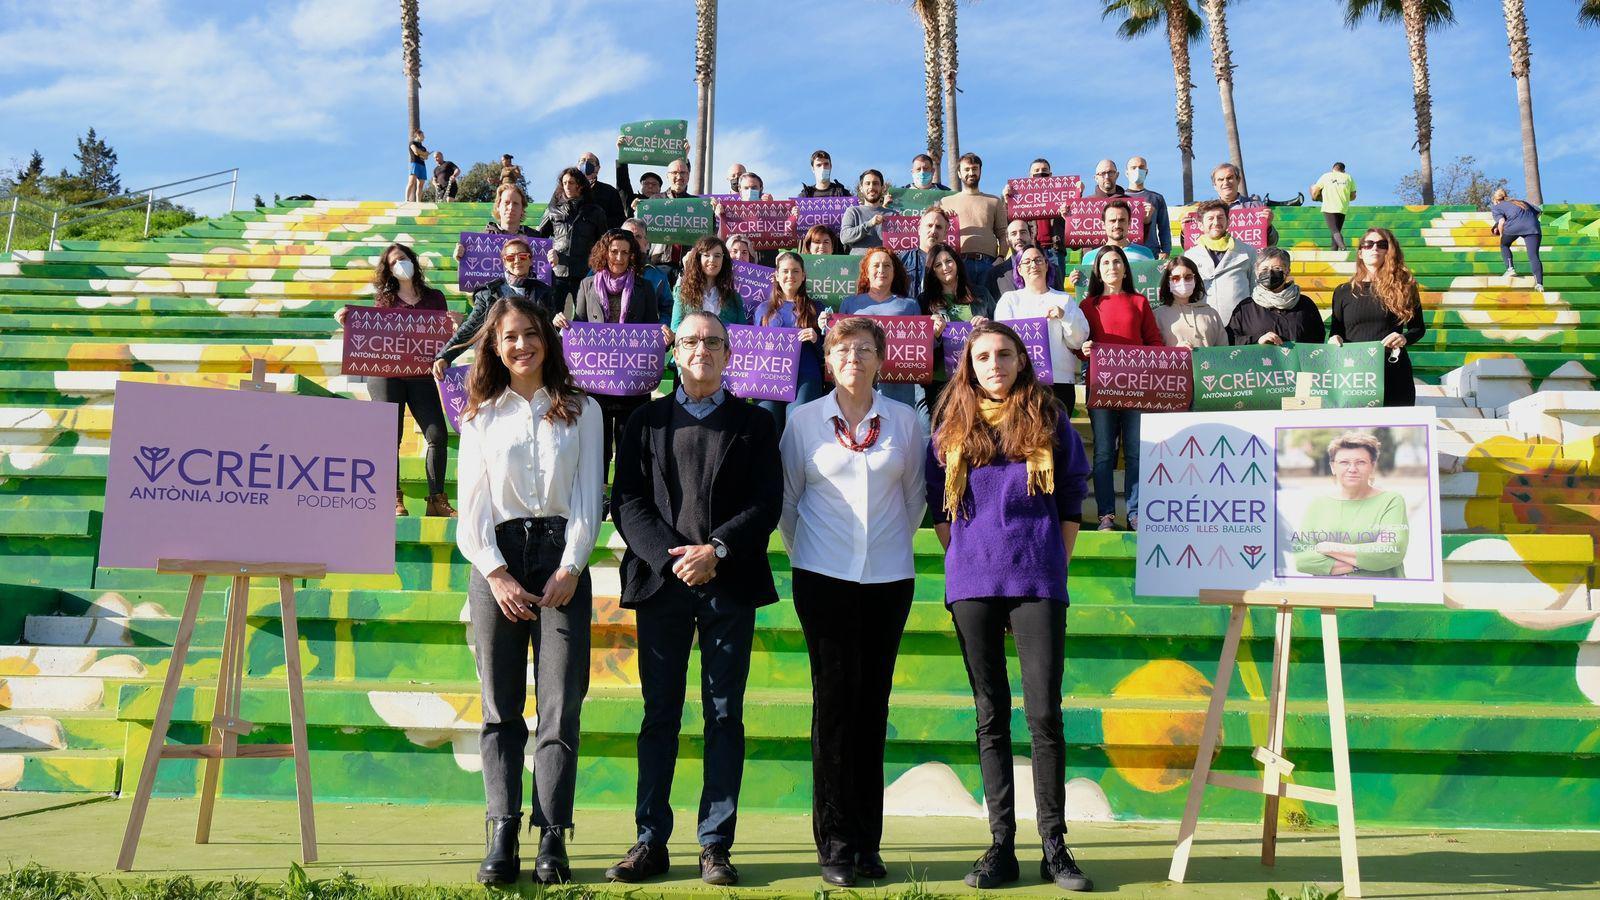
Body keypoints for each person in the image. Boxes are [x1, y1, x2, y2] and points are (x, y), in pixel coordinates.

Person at [605, 310, 783, 887]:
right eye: (690, 341)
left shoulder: (756, 425)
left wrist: (717, 552)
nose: (701, 349)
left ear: (729, 354)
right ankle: (650, 839)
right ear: (674, 352)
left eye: (712, 341)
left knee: (724, 715)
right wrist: (672, 557)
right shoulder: (644, 422)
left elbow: (766, 504)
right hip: (662, 587)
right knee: (660, 715)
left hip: (728, 587)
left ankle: (715, 844)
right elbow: (627, 501)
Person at [925, 321, 1094, 893]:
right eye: (982, 357)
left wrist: (1054, 556)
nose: (993, 364)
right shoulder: (950, 426)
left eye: (1003, 354)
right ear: (968, 367)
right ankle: (1001, 845)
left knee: (1044, 714)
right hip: (973, 583)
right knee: (990, 715)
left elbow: (1072, 492)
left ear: (1021, 360)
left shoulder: (1049, 419)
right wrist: (968, 558)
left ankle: (1054, 844)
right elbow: (938, 505)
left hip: (1037, 579)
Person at [455, 296, 603, 886]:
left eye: (531, 334)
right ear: (494, 345)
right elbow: (470, 512)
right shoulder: (478, 415)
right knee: (500, 708)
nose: (522, 345)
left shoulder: (583, 409)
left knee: (561, 705)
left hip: (561, 558)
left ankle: (553, 836)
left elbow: (591, 497)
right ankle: (502, 831)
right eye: (510, 336)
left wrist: (570, 566)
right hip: (499, 559)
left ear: (548, 339)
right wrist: (496, 574)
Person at [779, 316, 924, 888]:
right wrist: (817, 555)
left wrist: (879, 550)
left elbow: (914, 502)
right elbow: (789, 505)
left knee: (873, 708)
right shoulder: (803, 422)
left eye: (865, 349)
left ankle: (868, 842)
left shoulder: (908, 423)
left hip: (888, 581)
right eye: (843, 349)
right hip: (822, 578)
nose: (854, 359)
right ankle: (834, 842)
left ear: (881, 360)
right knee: (834, 709)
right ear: (829, 360)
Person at [335, 243, 461, 518]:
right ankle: (393, 498)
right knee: (390, 436)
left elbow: (444, 341)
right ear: (388, 271)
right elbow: (373, 334)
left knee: (437, 434)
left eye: (402, 258)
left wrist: (455, 325)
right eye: (393, 263)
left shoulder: (435, 298)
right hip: (387, 376)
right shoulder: (385, 299)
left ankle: (436, 500)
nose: (399, 265)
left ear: (413, 261)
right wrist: (349, 323)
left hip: (421, 375)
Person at [571, 229, 670, 476]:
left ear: (632, 256)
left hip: (632, 382)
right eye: (614, 251)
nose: (618, 257)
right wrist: (565, 326)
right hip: (597, 382)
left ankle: (626, 498)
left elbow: (650, 332)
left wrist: (664, 339)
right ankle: (599, 494)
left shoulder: (645, 287)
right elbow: (580, 324)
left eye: (625, 252)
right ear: (605, 253)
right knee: (597, 446)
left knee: (630, 445)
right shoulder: (586, 285)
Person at [1079, 245, 1162, 531]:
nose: (1112, 267)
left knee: (1135, 451)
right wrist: (1084, 350)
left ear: (1125, 268)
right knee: (1103, 451)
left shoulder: (1139, 302)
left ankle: (1135, 512)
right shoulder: (1087, 306)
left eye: (1117, 262)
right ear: (1098, 271)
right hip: (1100, 387)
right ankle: (1106, 515)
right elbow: (1080, 347)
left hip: (1137, 387)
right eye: (1105, 263)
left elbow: (1154, 342)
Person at [1289, 432, 1410, 578]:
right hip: (1331, 597)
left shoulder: (1391, 501)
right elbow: (1302, 560)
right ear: (1333, 467)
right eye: (1344, 462)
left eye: (1360, 462)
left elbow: (1391, 552)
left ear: (1372, 466)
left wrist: (1329, 547)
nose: (1352, 469)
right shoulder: (1317, 505)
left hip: (1382, 594)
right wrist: (1364, 563)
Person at [435, 238, 560, 377]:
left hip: (533, 364)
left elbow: (552, 330)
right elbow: (470, 328)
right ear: (505, 263)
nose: (517, 261)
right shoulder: (488, 293)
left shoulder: (544, 291)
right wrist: (444, 356)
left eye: (523, 256)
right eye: (511, 258)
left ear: (531, 261)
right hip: (497, 367)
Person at [1329, 228, 1425, 407]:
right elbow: (1336, 331)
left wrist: (1403, 337)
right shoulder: (1342, 291)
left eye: (1382, 244)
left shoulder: (1405, 287)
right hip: (1353, 374)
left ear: (1389, 251)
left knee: (1394, 431)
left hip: (1393, 369)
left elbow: (1418, 328)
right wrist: (1334, 339)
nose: (1375, 248)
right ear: (1360, 252)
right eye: (1368, 244)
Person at [995, 246, 1091, 417]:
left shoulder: (1064, 299)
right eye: (1027, 261)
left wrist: (1064, 316)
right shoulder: (1009, 300)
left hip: (1059, 382)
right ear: (1019, 269)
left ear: (1047, 265)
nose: (1033, 265)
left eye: (1038, 260)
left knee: (1058, 439)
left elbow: (1077, 341)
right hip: (1021, 381)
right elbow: (1002, 341)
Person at [750, 251, 826, 429]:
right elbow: (753, 349)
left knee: (798, 428)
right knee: (766, 427)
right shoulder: (762, 310)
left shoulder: (817, 308)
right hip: (768, 377)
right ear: (776, 275)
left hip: (805, 376)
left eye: (795, 271)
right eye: (785, 271)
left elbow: (827, 355)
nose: (790, 276)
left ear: (803, 275)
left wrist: (816, 339)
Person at [837, 247, 920, 407]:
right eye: (876, 265)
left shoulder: (910, 305)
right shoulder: (849, 303)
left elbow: (923, 346)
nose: (881, 270)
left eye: (887, 265)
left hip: (898, 386)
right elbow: (837, 342)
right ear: (866, 272)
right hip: (857, 379)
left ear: (894, 272)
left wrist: (936, 333)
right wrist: (825, 325)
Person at [921, 242, 991, 417]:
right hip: (939, 382)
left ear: (957, 263)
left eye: (948, 261)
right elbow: (919, 349)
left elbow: (1000, 331)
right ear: (932, 271)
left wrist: (988, 327)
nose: (945, 267)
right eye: (938, 265)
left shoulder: (981, 294)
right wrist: (934, 335)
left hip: (975, 378)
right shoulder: (924, 301)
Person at [939, 153, 1008, 310]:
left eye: (974, 169)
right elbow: (937, 233)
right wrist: (944, 218)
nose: (971, 173)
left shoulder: (994, 201)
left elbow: (1003, 234)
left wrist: (1001, 258)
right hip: (958, 264)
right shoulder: (946, 202)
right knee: (963, 308)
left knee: (989, 308)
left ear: (980, 171)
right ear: (959, 173)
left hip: (989, 263)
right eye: (967, 169)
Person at [537, 167, 608, 311]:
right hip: (557, 271)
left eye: (571, 182)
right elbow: (539, 238)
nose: (567, 186)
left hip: (584, 272)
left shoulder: (595, 211)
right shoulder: (552, 210)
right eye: (564, 183)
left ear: (580, 185)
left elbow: (603, 242)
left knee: (584, 315)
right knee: (553, 315)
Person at [1226, 248, 1325, 347]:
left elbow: (1318, 339)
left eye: (1277, 268)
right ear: (1256, 272)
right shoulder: (1245, 308)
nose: (1270, 273)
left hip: (1296, 362)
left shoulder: (1305, 304)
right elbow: (1230, 339)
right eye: (1264, 269)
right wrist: (1257, 340)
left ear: (1287, 271)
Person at [1182, 200, 1258, 327]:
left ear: (1228, 221)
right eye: (1210, 218)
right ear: (1200, 225)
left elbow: (1255, 288)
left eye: (1220, 217)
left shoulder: (1247, 251)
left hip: (1241, 325)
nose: (1216, 222)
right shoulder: (1190, 256)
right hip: (1203, 325)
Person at [1068, 201, 1157, 290]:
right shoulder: (1089, 257)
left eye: (1122, 220)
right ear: (1103, 225)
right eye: (1112, 221)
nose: (1117, 225)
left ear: (1129, 223)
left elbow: (1153, 283)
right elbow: (1088, 289)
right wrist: (1076, 279)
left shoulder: (1145, 253)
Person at [672, 235, 746, 329]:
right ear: (699, 258)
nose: (712, 260)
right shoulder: (683, 292)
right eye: (706, 255)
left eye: (717, 256)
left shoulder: (734, 296)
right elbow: (675, 329)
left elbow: (743, 331)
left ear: (724, 260)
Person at [452, 183, 538, 263]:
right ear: (498, 207)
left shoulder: (536, 238)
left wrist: (552, 265)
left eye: (516, 203)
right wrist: (461, 257)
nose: (511, 207)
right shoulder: (480, 240)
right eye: (506, 203)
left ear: (522, 210)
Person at [1152, 256, 1225, 349]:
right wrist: (1174, 352)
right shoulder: (1157, 316)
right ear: (1168, 282)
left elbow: (1223, 350)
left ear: (1195, 280)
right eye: (1176, 278)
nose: (1182, 281)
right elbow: (1153, 353)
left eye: (1188, 277)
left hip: (1208, 363)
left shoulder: (1211, 313)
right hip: (1173, 363)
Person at [986, 218, 1061, 301]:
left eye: (1023, 232)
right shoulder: (995, 275)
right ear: (1007, 240)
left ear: (1031, 235)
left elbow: (1061, 303)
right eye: (1014, 234)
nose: (1019, 237)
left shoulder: (1053, 269)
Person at [1209, 162, 1277, 246]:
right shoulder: (1207, 211)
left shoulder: (1256, 207)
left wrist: (1268, 226)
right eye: (1220, 179)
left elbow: (1273, 243)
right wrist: (1188, 228)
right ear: (1214, 185)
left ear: (1238, 180)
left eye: (1229, 178)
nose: (1226, 182)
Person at [1491, 187, 1544, 291]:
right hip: (1533, 226)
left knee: (1504, 245)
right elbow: (1539, 211)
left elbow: (1501, 222)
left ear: (1496, 200)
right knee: (1534, 256)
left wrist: (1502, 235)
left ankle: (1510, 269)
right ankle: (1539, 284)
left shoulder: (1496, 207)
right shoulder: (1520, 202)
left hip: (1514, 226)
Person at [557, 151, 625, 229]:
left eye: (591, 161)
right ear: (577, 166)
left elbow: (619, 220)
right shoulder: (564, 189)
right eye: (582, 160)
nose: (586, 163)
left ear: (598, 168)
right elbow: (552, 214)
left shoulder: (610, 191)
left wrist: (596, 224)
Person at [622, 218, 673, 317]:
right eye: (627, 235)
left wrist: (658, 330)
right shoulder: (602, 269)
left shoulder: (658, 276)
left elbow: (667, 310)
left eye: (637, 236)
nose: (632, 240)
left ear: (646, 243)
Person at [1124, 155, 1171, 259]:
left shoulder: (1156, 198)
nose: (1137, 170)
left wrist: (1166, 250)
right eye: (1133, 167)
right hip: (1125, 253)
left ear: (1146, 171)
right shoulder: (1118, 198)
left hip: (1151, 253)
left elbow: (1164, 227)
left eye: (1141, 167)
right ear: (1126, 173)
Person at [897, 206, 951, 293]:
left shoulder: (951, 264)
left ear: (945, 234)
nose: (933, 231)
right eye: (929, 225)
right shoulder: (901, 259)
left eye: (939, 227)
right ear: (919, 230)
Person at [840, 169, 895, 253]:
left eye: (875, 183)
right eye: (867, 183)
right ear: (861, 188)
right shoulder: (853, 212)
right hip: (857, 265)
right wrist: (870, 224)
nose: (871, 187)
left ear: (882, 188)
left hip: (884, 264)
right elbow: (845, 238)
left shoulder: (893, 214)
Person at [1311, 162, 1357, 251]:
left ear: (1333, 169)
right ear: (1343, 170)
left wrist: (1315, 197)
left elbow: (1316, 189)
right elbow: (1353, 195)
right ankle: (1334, 251)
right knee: (1336, 231)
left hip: (1329, 207)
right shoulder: (1348, 177)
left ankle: (1343, 247)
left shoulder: (1326, 176)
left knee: (1334, 230)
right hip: (1342, 208)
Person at [406, 130, 427, 202]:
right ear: (418, 135)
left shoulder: (423, 147)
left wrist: (421, 154)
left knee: (420, 185)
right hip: (414, 163)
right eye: (422, 135)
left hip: (422, 165)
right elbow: (415, 151)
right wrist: (422, 153)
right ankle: (407, 199)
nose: (424, 137)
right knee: (411, 182)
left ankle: (419, 201)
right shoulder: (412, 143)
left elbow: (426, 157)